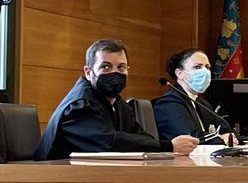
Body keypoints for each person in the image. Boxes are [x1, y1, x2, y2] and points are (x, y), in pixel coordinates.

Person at [36, 39, 199, 160]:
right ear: (88, 71)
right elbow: (108, 143)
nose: (115, 73)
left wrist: (162, 147)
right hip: (56, 180)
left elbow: (142, 137)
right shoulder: (81, 104)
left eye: (121, 67)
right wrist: (168, 146)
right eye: (105, 67)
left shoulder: (117, 104)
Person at [152, 48, 236, 145]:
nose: (205, 72)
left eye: (207, 67)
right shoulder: (168, 103)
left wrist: (230, 137)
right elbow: (192, 137)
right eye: (197, 67)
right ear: (180, 74)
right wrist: (221, 138)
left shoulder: (203, 104)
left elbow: (226, 130)